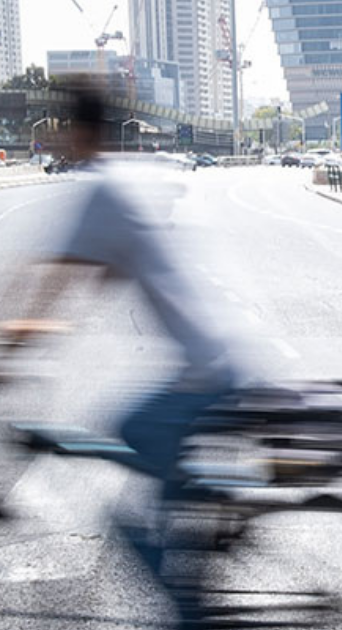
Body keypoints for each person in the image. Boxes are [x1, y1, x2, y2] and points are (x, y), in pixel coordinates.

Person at [2, 85, 246, 626]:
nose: (59, 139)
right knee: (165, 475)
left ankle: (192, 612)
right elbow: (98, 274)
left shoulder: (100, 191)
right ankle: (212, 516)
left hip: (205, 369)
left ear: (79, 131)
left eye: (62, 129)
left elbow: (55, 281)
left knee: (132, 433)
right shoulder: (128, 180)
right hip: (221, 352)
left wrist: (13, 349)